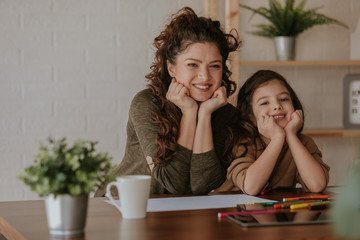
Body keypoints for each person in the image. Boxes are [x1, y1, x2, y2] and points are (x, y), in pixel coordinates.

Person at [95, 6, 240, 196]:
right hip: (120, 204)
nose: (204, 76)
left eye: (214, 66)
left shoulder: (223, 112)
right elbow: (172, 181)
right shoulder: (147, 103)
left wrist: (204, 115)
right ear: (171, 68)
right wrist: (189, 113)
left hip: (174, 213)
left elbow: (202, 185)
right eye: (192, 65)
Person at [217, 70, 330, 195]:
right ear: (251, 117)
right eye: (265, 102)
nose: (277, 106)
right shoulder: (243, 142)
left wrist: (291, 136)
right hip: (233, 211)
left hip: (272, 210)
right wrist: (277, 139)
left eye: (283, 99)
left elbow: (317, 184)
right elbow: (251, 187)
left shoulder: (303, 143)